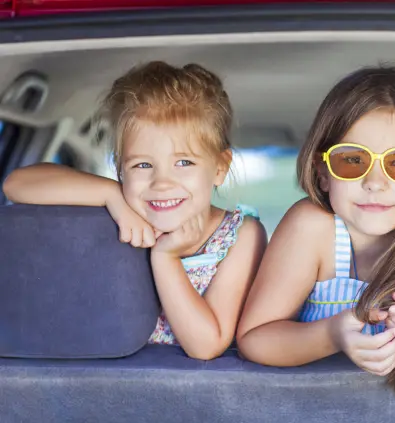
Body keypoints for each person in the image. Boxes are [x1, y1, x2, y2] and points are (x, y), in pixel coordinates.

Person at [236, 66, 395, 395]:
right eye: (352, 161)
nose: (375, 182)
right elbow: (255, 339)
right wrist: (331, 336)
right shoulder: (312, 227)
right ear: (322, 172)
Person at [3, 61, 267, 360]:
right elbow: (16, 184)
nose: (162, 183)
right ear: (120, 169)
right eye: (142, 165)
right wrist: (110, 194)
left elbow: (206, 345)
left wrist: (166, 257)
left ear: (220, 168)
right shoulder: (124, 210)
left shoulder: (239, 235)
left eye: (184, 163)